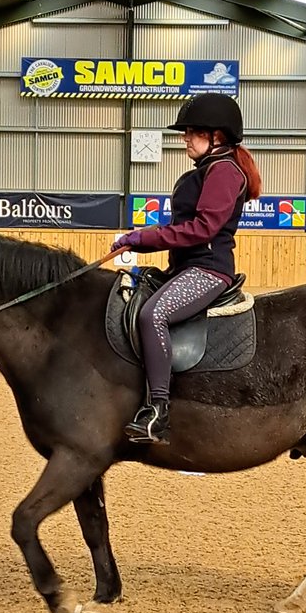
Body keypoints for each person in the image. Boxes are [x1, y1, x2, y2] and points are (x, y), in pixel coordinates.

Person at [112, 92, 262, 443]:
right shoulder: (207, 169)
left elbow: (203, 229)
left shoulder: (224, 171)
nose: (185, 138)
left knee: (154, 315)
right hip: (185, 267)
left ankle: (158, 412)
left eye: (192, 131)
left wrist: (143, 239)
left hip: (208, 270)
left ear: (217, 136)